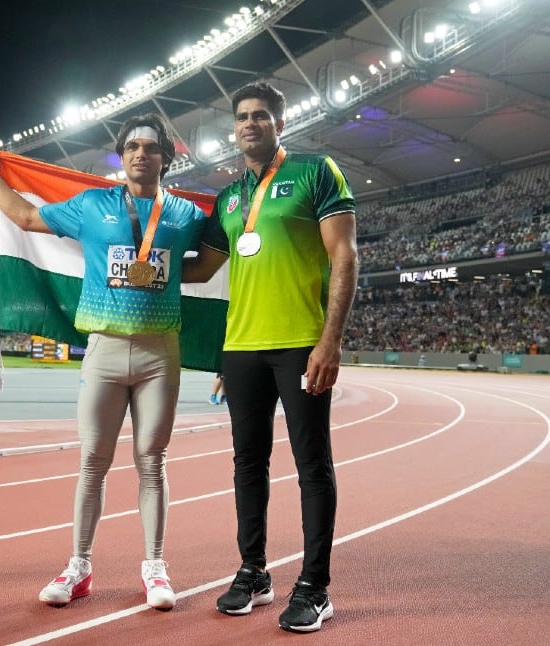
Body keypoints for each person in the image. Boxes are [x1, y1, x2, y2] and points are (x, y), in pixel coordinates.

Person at [0, 113, 209, 610]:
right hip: (103, 350)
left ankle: (154, 567)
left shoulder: (187, 215)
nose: (139, 153)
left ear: (166, 158)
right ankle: (79, 567)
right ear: (122, 155)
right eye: (131, 146)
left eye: (150, 147)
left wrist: (163, 275)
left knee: (152, 461)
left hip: (159, 354)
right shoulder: (91, 205)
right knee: (92, 463)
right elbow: (24, 218)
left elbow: (212, 262)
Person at [183, 81, 358, 633]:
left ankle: (315, 587)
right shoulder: (228, 199)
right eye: (241, 117)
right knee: (247, 462)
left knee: (312, 465)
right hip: (242, 349)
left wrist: (329, 342)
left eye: (260, 115)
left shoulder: (314, 171)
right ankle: (253, 571)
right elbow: (203, 270)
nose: (250, 124)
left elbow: (345, 253)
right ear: (234, 129)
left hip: (301, 342)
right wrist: (126, 255)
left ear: (280, 123)